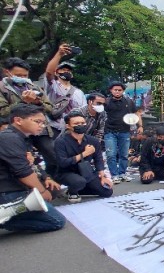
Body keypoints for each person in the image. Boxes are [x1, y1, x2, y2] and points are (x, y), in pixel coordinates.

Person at [0, 104, 66, 232]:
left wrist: (46, 177)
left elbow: (32, 164)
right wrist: (41, 191)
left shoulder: (22, 138)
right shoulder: (9, 138)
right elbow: (23, 172)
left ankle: (11, 215)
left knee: (54, 190)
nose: (42, 126)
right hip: (7, 190)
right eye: (37, 121)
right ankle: (5, 218)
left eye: (43, 122)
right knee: (57, 221)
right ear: (18, 120)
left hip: (17, 185)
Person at [0, 58, 58, 176]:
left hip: (40, 130)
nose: (22, 77)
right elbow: (3, 112)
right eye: (18, 75)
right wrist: (23, 101)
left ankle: (52, 183)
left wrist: (37, 102)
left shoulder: (33, 86)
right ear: (7, 72)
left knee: (53, 156)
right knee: (25, 159)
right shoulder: (2, 88)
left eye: (25, 75)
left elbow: (50, 108)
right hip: (16, 130)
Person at [54, 111, 113, 203]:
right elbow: (63, 163)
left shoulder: (92, 140)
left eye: (82, 123)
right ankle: (72, 191)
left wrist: (102, 176)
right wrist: (84, 154)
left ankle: (79, 189)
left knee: (107, 191)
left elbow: (98, 159)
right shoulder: (61, 141)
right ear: (68, 126)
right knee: (79, 181)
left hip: (86, 171)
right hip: (66, 172)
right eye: (76, 124)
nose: (80, 125)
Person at [43, 44, 86, 135]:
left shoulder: (79, 92)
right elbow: (49, 72)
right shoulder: (52, 85)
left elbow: (83, 111)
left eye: (69, 70)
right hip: (54, 127)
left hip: (72, 130)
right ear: (56, 72)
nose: (66, 72)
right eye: (63, 70)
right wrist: (59, 54)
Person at [104, 81, 142, 182]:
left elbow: (137, 113)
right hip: (109, 131)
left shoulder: (129, 102)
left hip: (124, 131)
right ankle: (114, 175)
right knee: (111, 154)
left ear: (123, 91)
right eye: (115, 90)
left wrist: (140, 126)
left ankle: (122, 173)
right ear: (111, 90)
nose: (117, 92)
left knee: (124, 154)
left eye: (119, 90)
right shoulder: (106, 102)